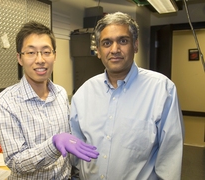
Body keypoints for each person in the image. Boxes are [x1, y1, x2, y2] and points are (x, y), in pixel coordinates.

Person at [70, 12, 184, 180]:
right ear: (99, 51)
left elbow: (170, 156)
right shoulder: (83, 94)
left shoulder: (162, 90)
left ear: (135, 45)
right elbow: (77, 151)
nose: (115, 49)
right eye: (107, 43)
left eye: (123, 41)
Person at [0, 21, 99, 180]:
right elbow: (15, 162)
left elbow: (70, 142)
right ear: (19, 58)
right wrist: (53, 144)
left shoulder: (61, 94)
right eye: (31, 52)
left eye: (46, 52)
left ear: (54, 56)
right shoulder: (4, 103)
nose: (40, 59)